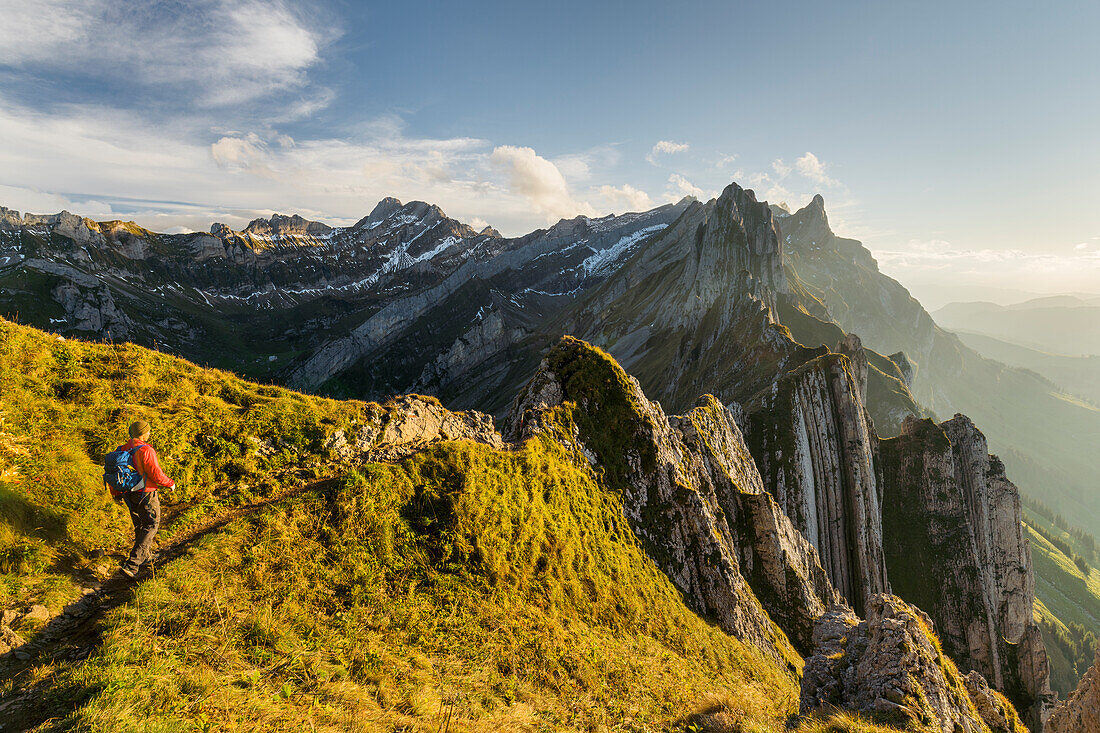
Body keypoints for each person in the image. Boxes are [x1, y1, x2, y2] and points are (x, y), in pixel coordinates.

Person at [110, 420, 175, 578]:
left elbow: (114, 471)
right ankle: (132, 565)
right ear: (143, 433)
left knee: (140, 525)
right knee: (151, 524)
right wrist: (170, 483)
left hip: (128, 493)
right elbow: (155, 473)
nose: (149, 433)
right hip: (146, 493)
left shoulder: (121, 449)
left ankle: (145, 556)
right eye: (148, 431)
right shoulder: (146, 450)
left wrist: (116, 493)